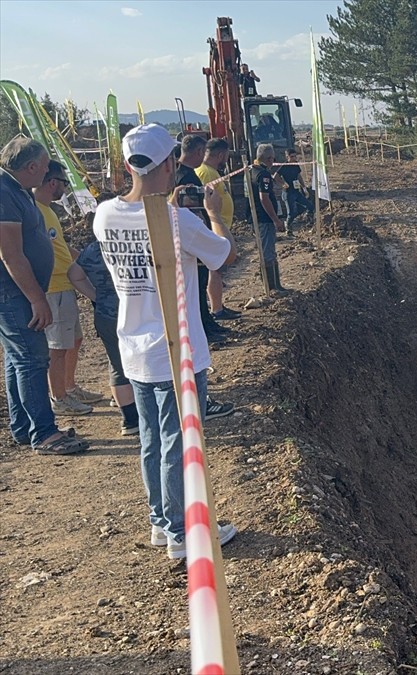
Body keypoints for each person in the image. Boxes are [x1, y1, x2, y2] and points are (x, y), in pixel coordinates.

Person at [93, 124, 238, 558]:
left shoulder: (104, 215)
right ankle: (182, 531)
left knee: (152, 438)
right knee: (180, 440)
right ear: (171, 164)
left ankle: (161, 520)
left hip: (133, 344)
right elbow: (224, 255)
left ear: (128, 165)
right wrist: (212, 215)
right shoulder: (179, 221)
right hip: (176, 347)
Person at [0, 137, 88, 455]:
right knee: (33, 360)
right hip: (14, 294)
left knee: (17, 359)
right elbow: (10, 253)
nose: (49, 171)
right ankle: (44, 433)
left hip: (17, 292)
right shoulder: (4, 191)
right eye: (46, 164)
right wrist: (37, 298)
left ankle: (25, 428)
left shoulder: (16, 190)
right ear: (33, 166)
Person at [32, 160, 102, 416]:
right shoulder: (36, 212)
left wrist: (86, 260)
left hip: (65, 283)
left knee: (74, 339)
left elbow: (61, 247)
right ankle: (59, 397)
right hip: (54, 286)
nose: (65, 188)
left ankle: (69, 387)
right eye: (64, 182)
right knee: (58, 347)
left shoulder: (47, 211)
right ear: (53, 183)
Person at [75, 214, 140, 436]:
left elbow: (73, 274)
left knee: (116, 364)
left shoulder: (93, 249)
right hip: (133, 310)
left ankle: (129, 419)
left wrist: (95, 296)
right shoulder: (129, 245)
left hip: (105, 314)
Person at [175, 135, 229, 347]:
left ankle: (208, 322)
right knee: (195, 288)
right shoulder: (183, 177)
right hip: (190, 241)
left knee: (201, 282)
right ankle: (203, 329)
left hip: (196, 237)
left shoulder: (186, 174)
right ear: (198, 152)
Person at [194, 137, 241, 322]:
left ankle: (217, 305)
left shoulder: (211, 172)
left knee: (217, 270)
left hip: (219, 227)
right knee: (215, 269)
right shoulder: (206, 173)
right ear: (221, 154)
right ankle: (216, 309)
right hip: (213, 228)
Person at [250, 143, 287, 293]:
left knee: (267, 250)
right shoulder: (263, 174)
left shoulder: (253, 170)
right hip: (264, 218)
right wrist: (276, 219)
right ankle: (272, 287)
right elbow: (264, 198)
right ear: (269, 158)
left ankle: (275, 285)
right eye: (272, 158)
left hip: (257, 216)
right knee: (268, 251)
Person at [276, 148, 311, 236]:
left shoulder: (295, 165)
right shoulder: (284, 166)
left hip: (296, 191)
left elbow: (299, 176)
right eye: (292, 156)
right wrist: (283, 184)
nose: (294, 158)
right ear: (287, 157)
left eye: (295, 156)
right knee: (291, 212)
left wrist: (304, 188)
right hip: (288, 192)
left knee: (308, 206)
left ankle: (302, 220)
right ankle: (288, 228)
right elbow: (275, 176)